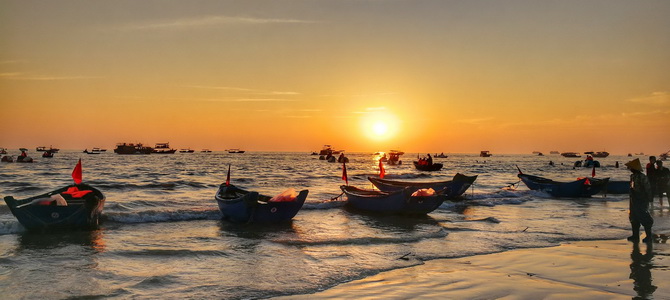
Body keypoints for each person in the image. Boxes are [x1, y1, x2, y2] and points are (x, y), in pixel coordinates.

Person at [625, 158, 654, 243]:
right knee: (633, 217)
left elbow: (647, 188)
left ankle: (649, 236)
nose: (630, 169)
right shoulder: (632, 176)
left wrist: (649, 198)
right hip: (633, 199)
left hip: (641, 199)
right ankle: (635, 236)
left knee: (644, 216)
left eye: (631, 168)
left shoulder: (642, 177)